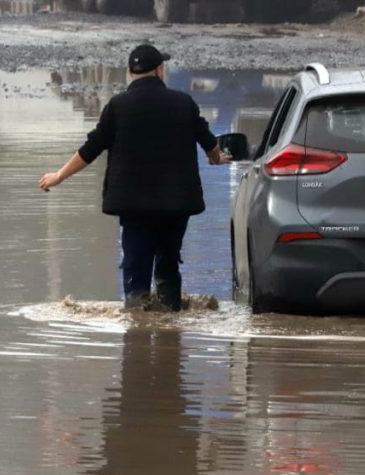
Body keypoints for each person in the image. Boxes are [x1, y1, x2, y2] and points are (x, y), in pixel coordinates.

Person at [38, 44, 230, 311]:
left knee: (135, 268)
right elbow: (209, 144)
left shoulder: (117, 107)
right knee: (168, 265)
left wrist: (59, 175)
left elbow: (91, 149)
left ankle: (136, 328)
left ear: (129, 72)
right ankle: (170, 327)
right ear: (160, 71)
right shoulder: (183, 103)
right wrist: (216, 158)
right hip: (175, 205)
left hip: (133, 206)